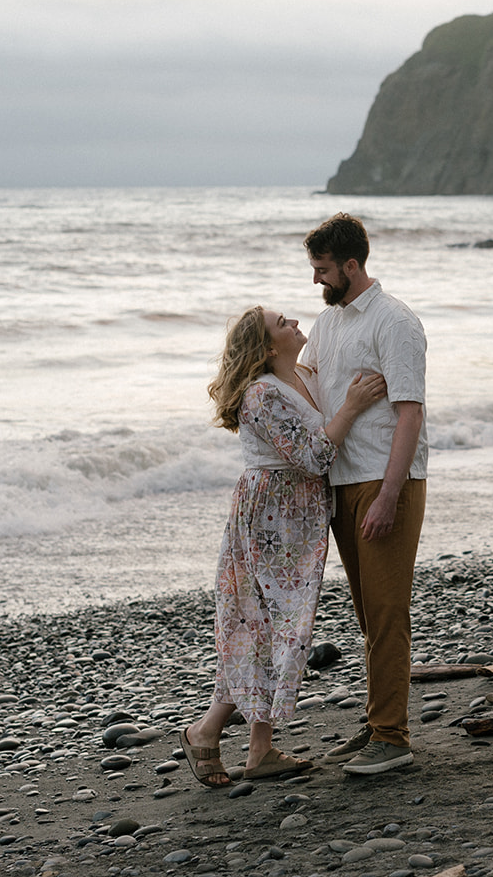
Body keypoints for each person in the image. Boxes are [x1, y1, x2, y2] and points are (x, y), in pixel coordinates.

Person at [179, 305, 386, 787]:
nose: (295, 323)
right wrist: (352, 407)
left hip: (295, 517)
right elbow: (314, 456)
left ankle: (259, 749)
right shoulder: (260, 395)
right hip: (272, 514)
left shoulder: (299, 380)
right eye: (282, 324)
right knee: (266, 625)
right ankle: (205, 731)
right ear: (269, 347)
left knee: (273, 625)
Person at [300, 213, 428, 777]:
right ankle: (378, 721)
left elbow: (409, 413)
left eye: (323, 270)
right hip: (341, 481)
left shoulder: (394, 320)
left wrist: (389, 495)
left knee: (386, 609)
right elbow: (301, 385)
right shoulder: (326, 325)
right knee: (365, 612)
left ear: (351, 266)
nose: (316, 281)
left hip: (383, 479)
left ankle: (392, 738)